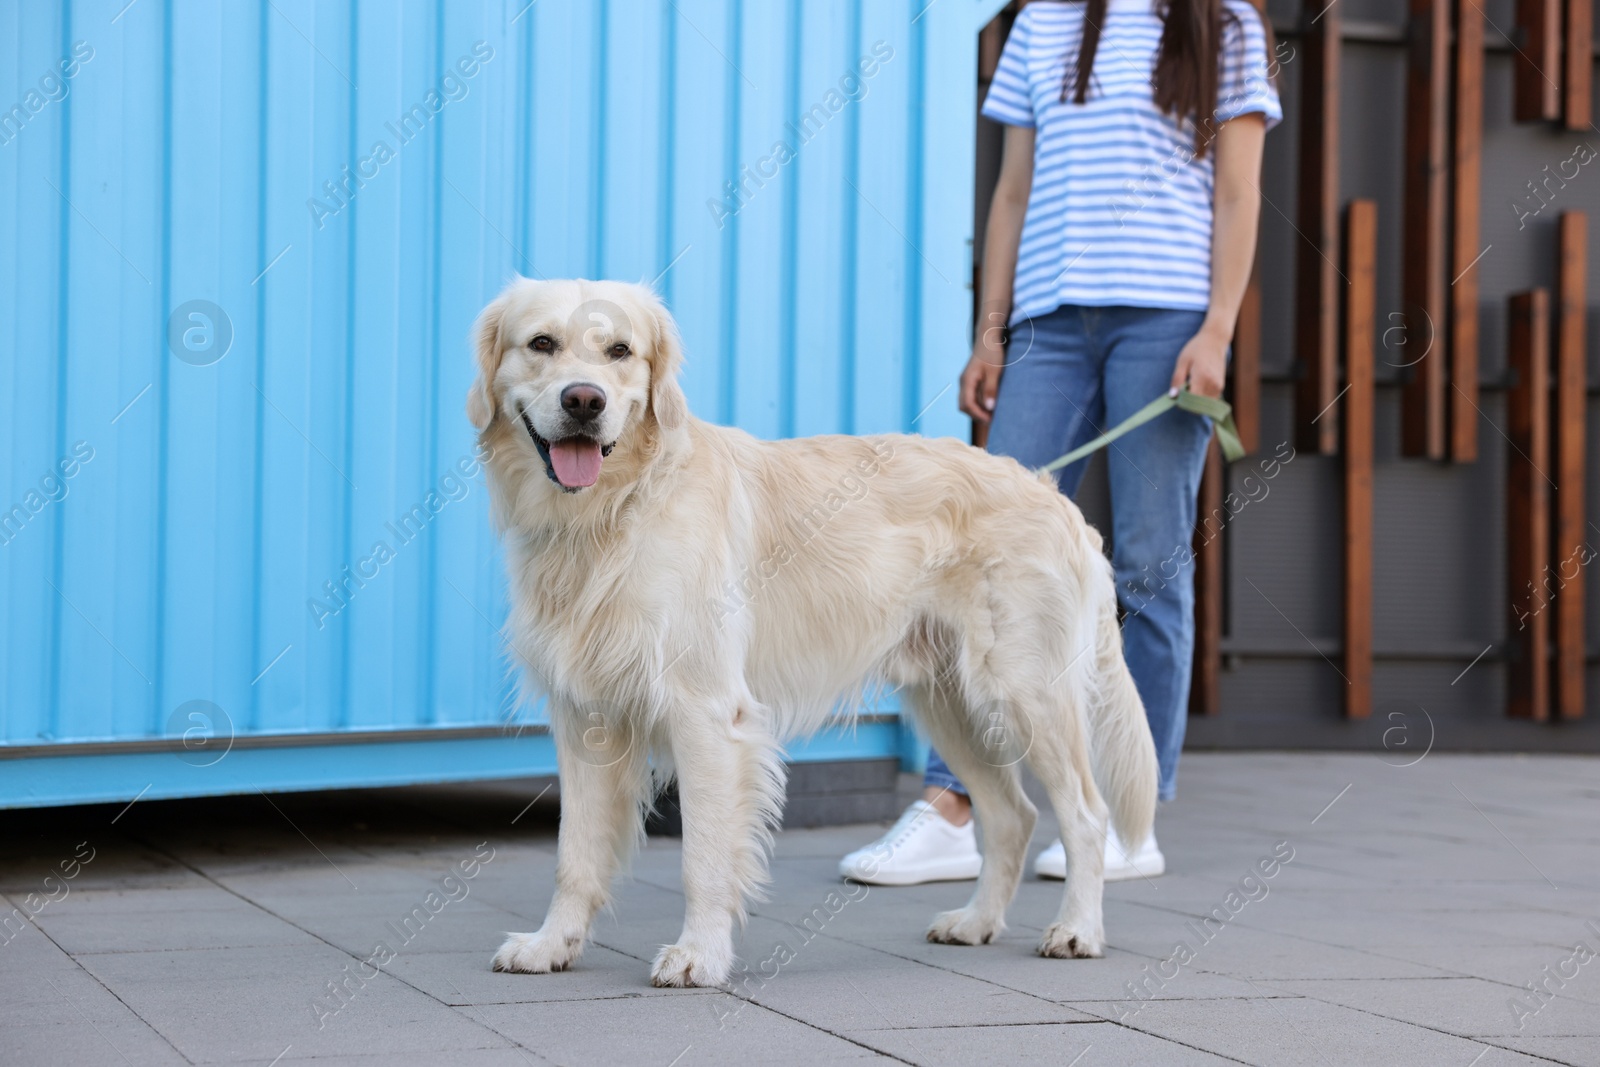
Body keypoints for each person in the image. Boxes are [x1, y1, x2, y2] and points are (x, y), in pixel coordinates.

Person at [841, 0, 1279, 886]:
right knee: (974, 551)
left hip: (1166, 321)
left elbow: (1239, 192)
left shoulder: (1225, 23)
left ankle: (1130, 819)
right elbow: (1012, 191)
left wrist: (1218, 333)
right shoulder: (1042, 21)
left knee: (1153, 563)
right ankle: (953, 806)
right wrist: (990, 331)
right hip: (1048, 323)